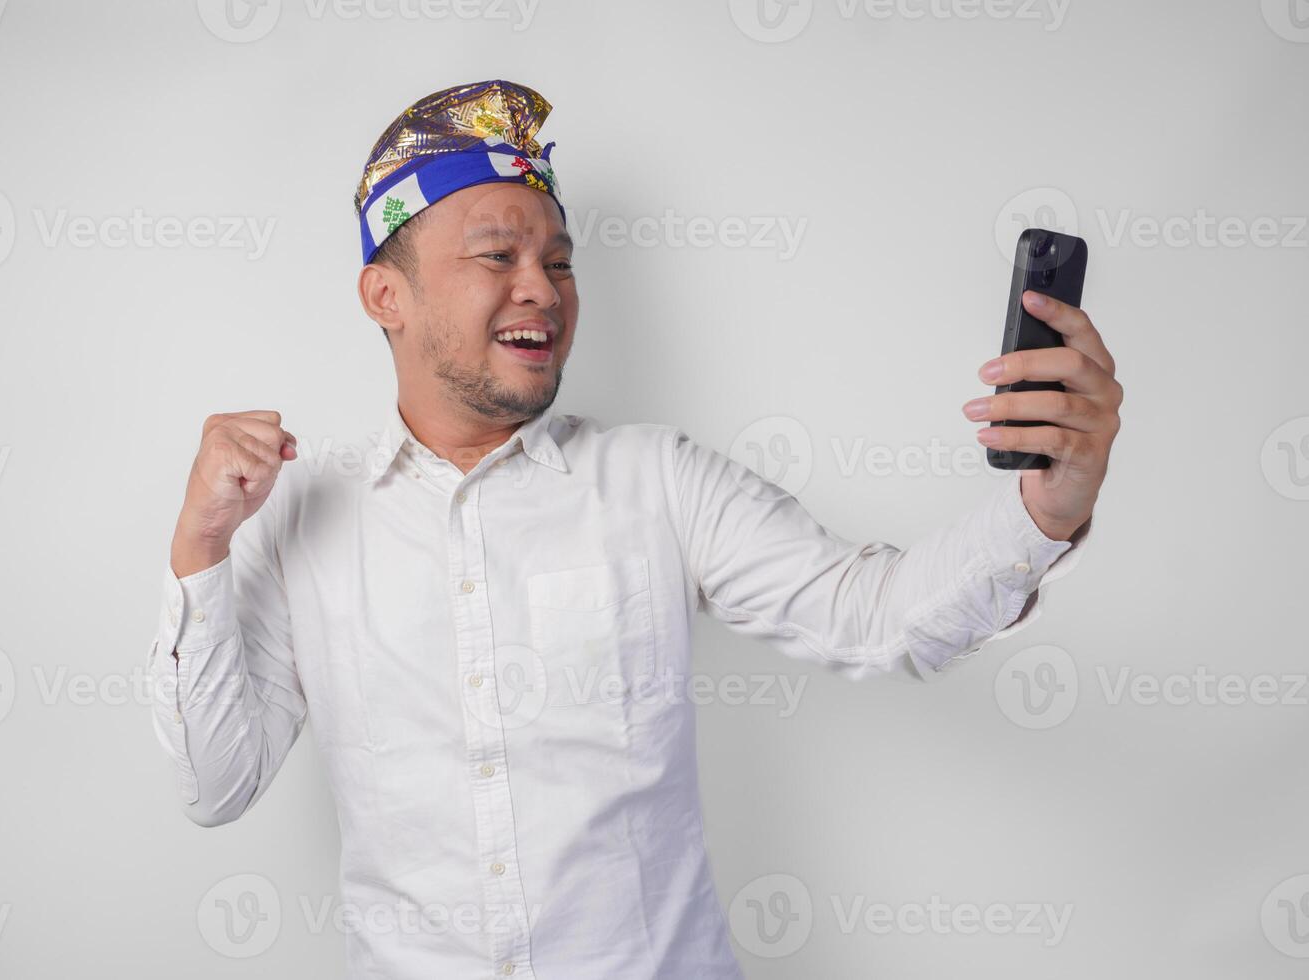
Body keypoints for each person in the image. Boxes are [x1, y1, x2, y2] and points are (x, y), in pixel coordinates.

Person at [147, 79, 1121, 979]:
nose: (542, 288)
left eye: (559, 262)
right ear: (385, 294)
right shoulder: (297, 513)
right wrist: (200, 549)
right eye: (499, 255)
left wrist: (1047, 509)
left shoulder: (656, 479)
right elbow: (215, 786)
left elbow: (878, 617)